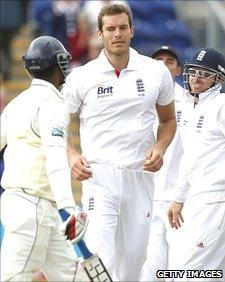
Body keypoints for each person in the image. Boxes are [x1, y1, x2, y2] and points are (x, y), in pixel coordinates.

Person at [62, 4, 176, 281]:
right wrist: (72, 155)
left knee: (133, 263)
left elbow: (168, 121)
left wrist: (159, 148)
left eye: (122, 28)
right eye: (110, 29)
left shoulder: (155, 72)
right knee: (101, 257)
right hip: (100, 177)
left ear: (132, 31)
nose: (117, 34)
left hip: (141, 176)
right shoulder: (81, 76)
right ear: (100, 34)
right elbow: (58, 125)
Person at [0, 36, 88, 281]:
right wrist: (69, 207)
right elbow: (54, 157)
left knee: (73, 277)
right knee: (13, 277)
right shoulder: (53, 106)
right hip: (34, 207)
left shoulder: (16, 104)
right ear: (60, 65)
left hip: (37, 207)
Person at [167, 47, 225, 281]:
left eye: (205, 73)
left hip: (216, 199)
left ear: (218, 79)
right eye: (194, 72)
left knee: (186, 272)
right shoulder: (191, 108)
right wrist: (178, 198)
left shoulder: (221, 104)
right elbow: (191, 159)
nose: (197, 78)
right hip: (196, 198)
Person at [139, 46, 184, 281]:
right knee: (150, 270)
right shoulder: (140, 100)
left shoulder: (189, 103)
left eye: (169, 61)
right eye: (158, 60)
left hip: (179, 199)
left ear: (178, 70)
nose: (163, 64)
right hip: (147, 196)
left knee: (180, 268)